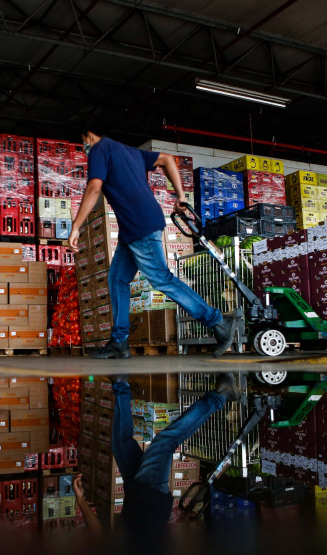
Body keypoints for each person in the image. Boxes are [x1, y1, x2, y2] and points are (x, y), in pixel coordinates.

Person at [69, 125, 236, 358]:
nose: (84, 148)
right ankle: (119, 341)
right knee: (117, 278)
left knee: (161, 279)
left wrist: (76, 226)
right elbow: (167, 159)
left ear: (88, 135)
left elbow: (94, 187)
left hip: (140, 226)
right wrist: (180, 195)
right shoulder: (129, 151)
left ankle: (218, 321)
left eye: (83, 143)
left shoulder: (99, 149)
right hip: (133, 229)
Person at [75, 374, 244, 537]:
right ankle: (221, 396)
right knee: (165, 441)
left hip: (135, 495)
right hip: (149, 498)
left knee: (121, 443)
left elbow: (99, 536)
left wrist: (82, 500)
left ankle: (121, 383)